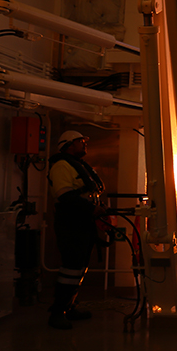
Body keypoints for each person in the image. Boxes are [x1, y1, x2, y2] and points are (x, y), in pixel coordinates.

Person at [47, 130, 106, 330]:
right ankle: (57, 312)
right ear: (69, 145)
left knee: (79, 267)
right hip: (71, 223)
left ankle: (69, 307)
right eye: (81, 141)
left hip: (83, 222)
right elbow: (65, 197)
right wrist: (92, 209)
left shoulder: (77, 165)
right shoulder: (61, 166)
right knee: (71, 268)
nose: (85, 144)